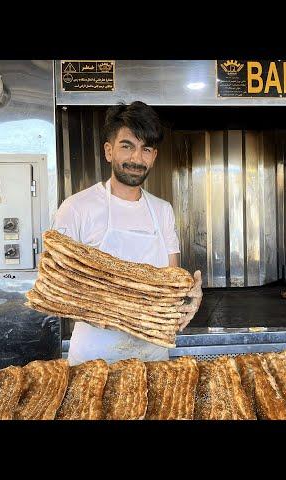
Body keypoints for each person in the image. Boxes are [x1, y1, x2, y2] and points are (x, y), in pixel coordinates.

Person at [53, 101, 203, 365]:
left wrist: (187, 296)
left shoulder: (162, 210)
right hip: (93, 359)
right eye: (127, 146)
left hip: (153, 355)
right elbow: (58, 286)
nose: (137, 158)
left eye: (146, 149)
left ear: (154, 156)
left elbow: (170, 281)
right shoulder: (76, 208)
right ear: (109, 151)